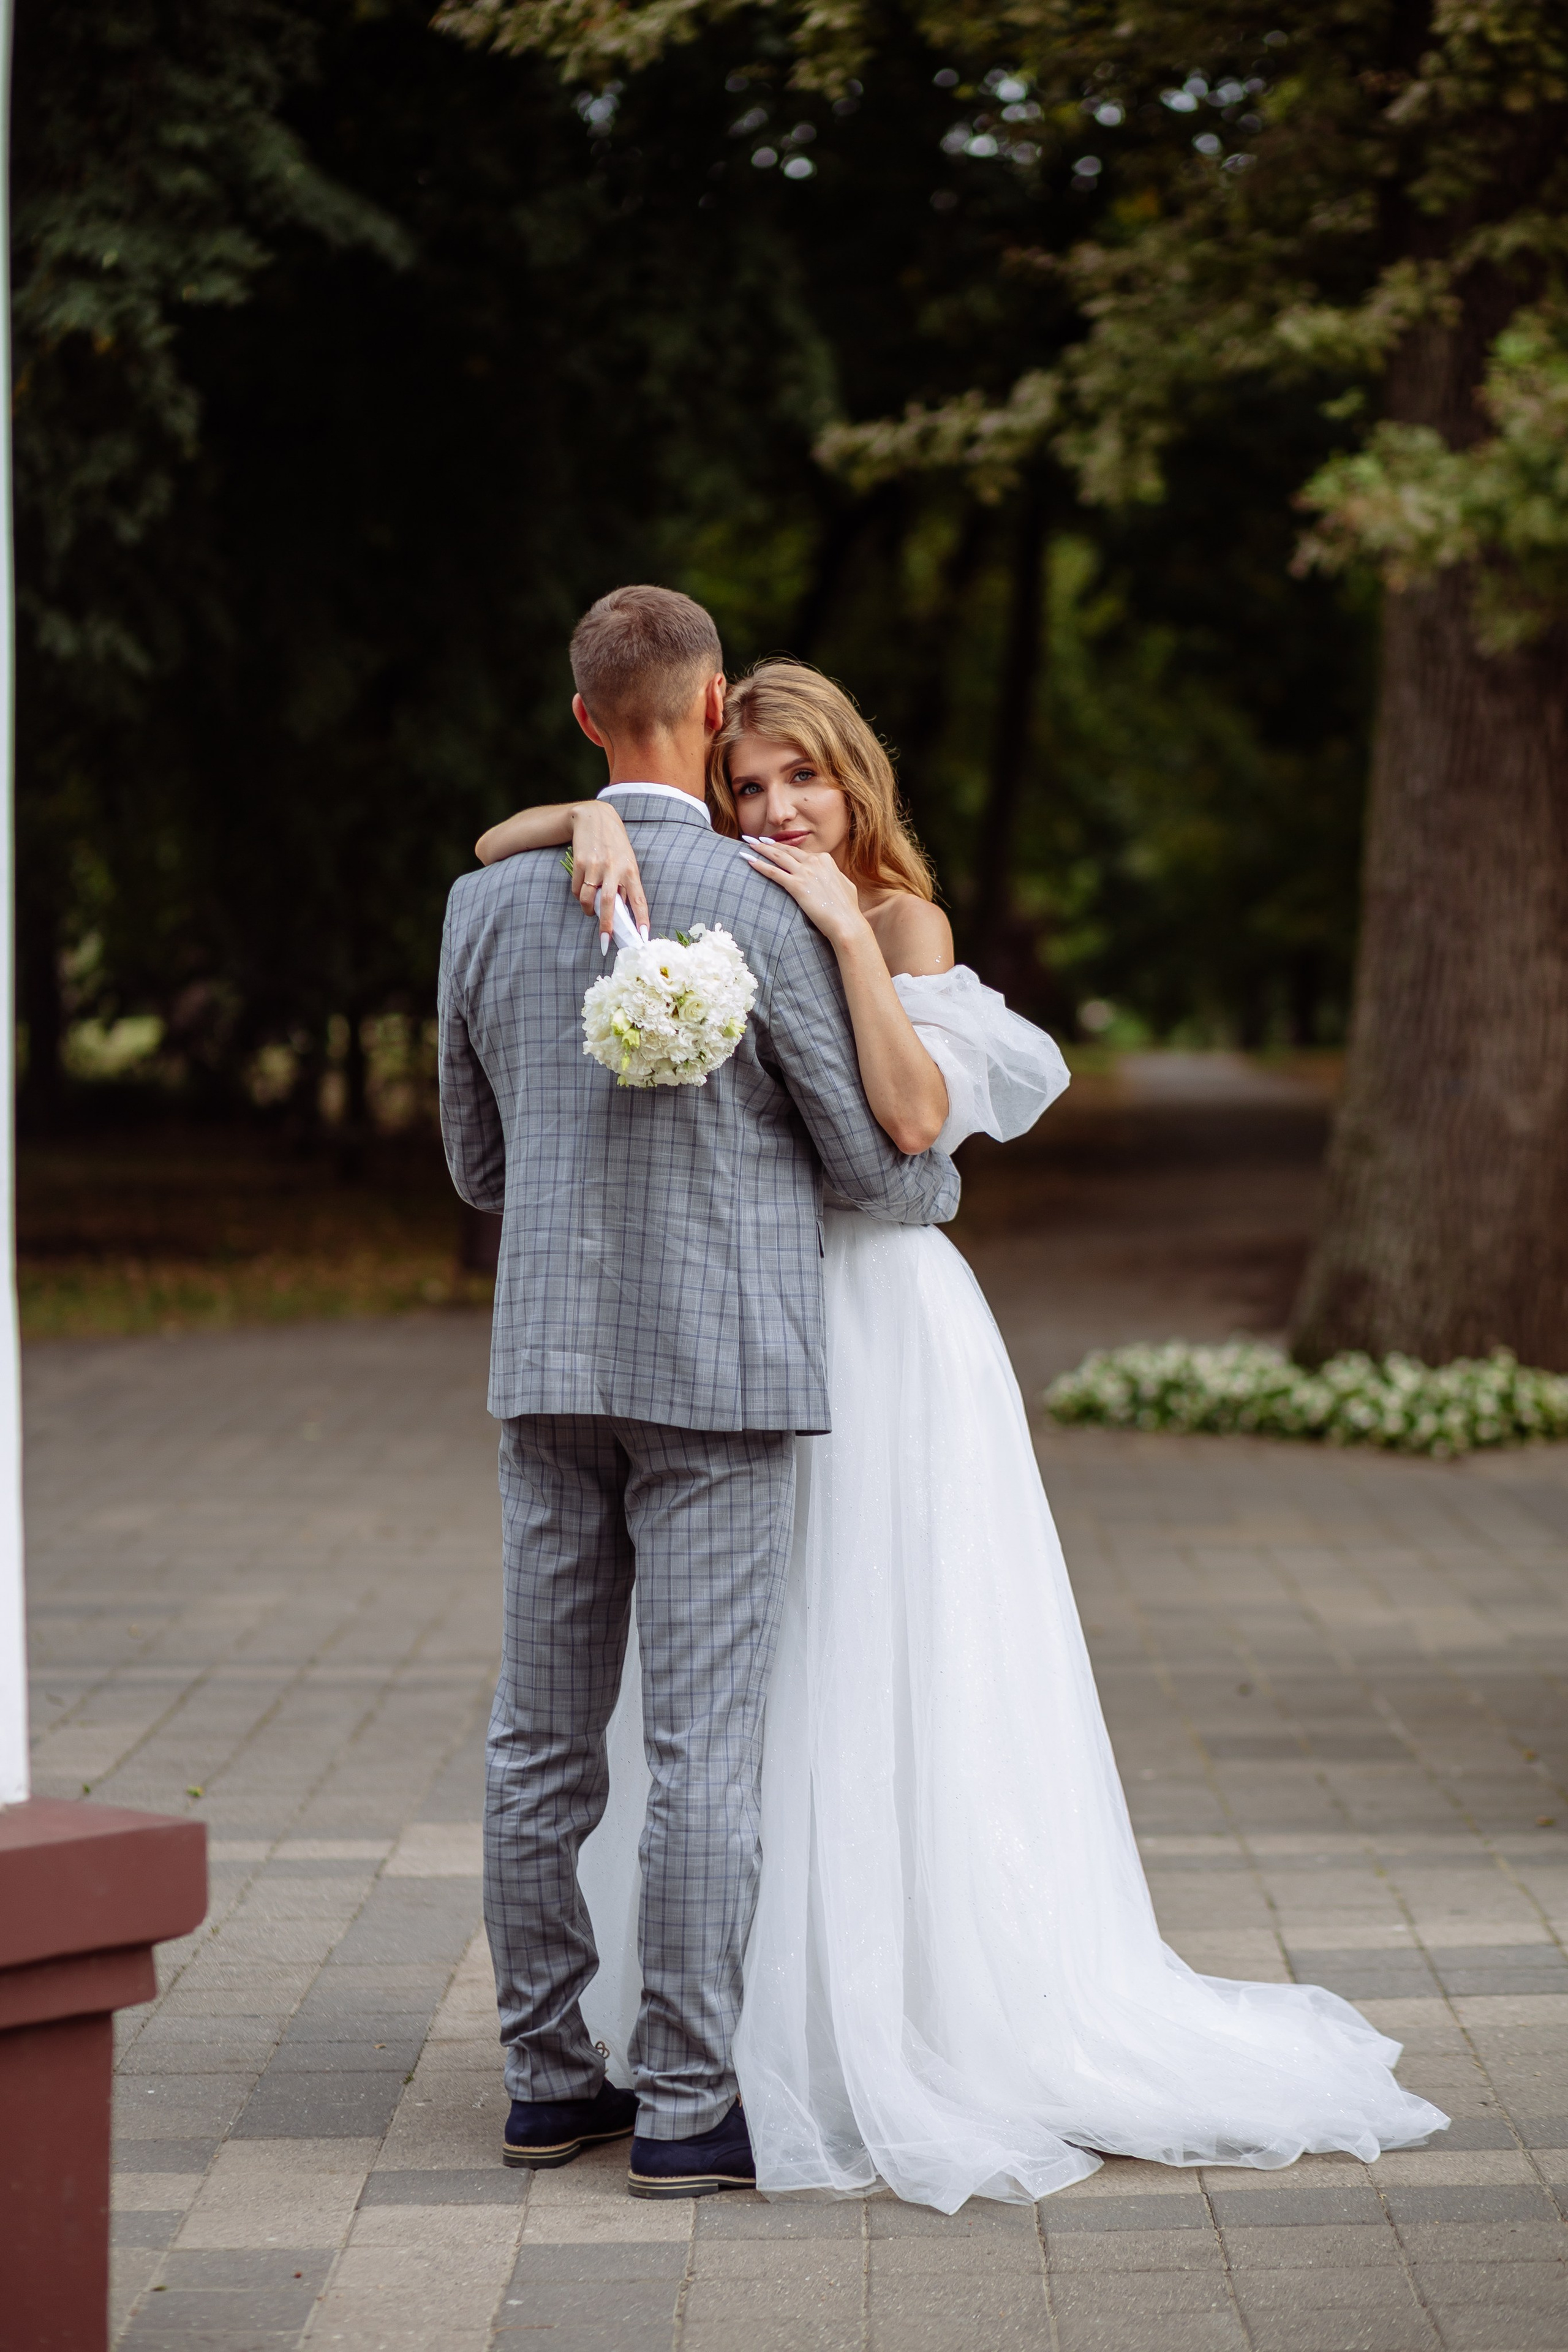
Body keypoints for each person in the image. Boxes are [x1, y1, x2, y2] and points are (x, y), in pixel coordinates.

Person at [481, 653, 1449, 2211]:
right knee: (760, 1679)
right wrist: (588, 826)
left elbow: (912, 1125)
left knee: (897, 1648)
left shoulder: (897, 921)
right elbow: (521, 844)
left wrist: (842, 939)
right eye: (749, 784)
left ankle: (919, 2005)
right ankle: (737, 2021)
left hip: (887, 1323)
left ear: (855, 781)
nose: (777, 807)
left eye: (805, 780)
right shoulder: (707, 879)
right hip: (760, 1314)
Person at [438, 590, 960, 2201]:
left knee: (539, 1737)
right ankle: (680, 2105)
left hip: (545, 1369)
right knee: (701, 1745)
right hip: (723, 1381)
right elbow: (884, 1167)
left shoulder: (483, 912)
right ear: (712, 701)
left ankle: (542, 2083)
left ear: (588, 716)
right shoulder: (762, 896)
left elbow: (474, 1168)